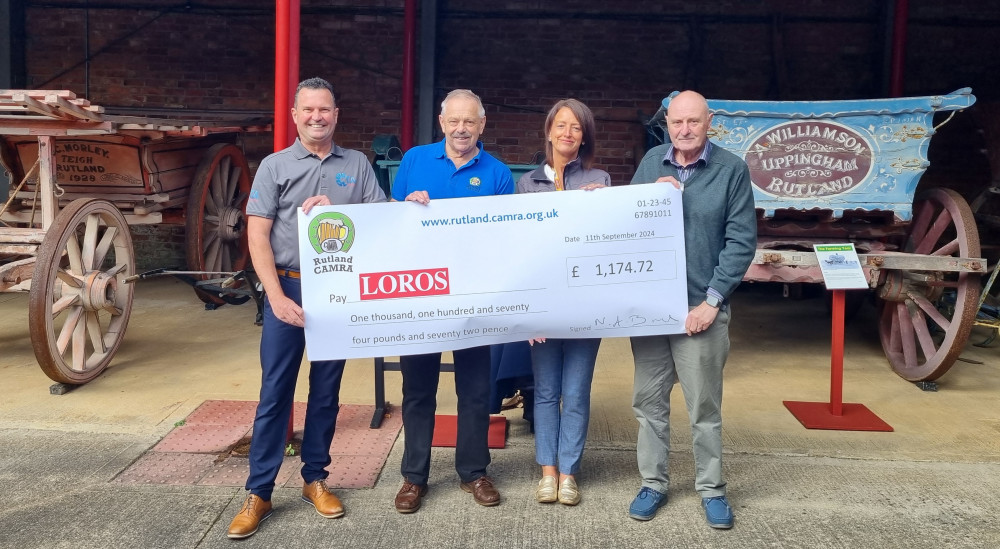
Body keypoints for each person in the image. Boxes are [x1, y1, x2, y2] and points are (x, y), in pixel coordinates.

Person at [227, 77, 387, 539]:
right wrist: (274, 297)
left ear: (336, 115)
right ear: (295, 116)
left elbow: (378, 223)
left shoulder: (357, 165)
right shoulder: (275, 167)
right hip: (289, 289)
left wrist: (408, 205)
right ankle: (259, 491)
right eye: (308, 110)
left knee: (326, 391)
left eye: (325, 110)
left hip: (335, 292)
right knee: (275, 390)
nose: (317, 117)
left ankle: (315, 478)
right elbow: (257, 234)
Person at [627, 90, 756, 529]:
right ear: (667, 122)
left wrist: (711, 302)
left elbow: (740, 243)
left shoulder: (731, 170)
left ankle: (712, 490)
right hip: (651, 310)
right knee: (648, 403)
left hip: (699, 308)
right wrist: (638, 197)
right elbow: (623, 224)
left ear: (709, 122)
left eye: (693, 122)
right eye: (676, 122)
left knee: (703, 407)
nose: (684, 130)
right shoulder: (650, 165)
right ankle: (653, 483)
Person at [390, 89, 514, 513]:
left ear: (482, 125)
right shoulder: (413, 161)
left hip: (474, 297)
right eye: (454, 121)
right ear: (442, 123)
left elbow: (505, 239)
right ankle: (413, 478)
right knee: (418, 390)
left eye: (470, 122)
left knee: (476, 390)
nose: (461, 129)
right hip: (420, 294)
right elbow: (390, 224)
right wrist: (406, 206)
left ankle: (474, 472)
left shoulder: (498, 174)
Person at [516, 98, 608, 506]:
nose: (568, 133)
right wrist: (530, 313)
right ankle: (547, 472)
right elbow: (523, 252)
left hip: (586, 307)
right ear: (549, 130)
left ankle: (569, 471)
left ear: (584, 136)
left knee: (577, 390)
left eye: (576, 127)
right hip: (544, 309)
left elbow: (609, 243)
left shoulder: (600, 180)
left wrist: (601, 206)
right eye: (561, 125)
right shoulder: (527, 184)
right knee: (547, 391)